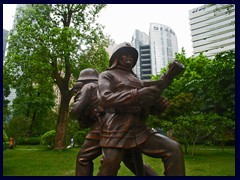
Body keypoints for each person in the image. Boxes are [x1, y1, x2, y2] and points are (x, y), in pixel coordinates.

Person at [97, 42, 186, 176]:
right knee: (110, 166)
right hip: (116, 128)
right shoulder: (107, 75)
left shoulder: (137, 79)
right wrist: (137, 94)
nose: (130, 57)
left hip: (139, 129)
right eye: (125, 54)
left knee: (173, 149)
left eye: (132, 55)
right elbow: (105, 98)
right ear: (116, 57)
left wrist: (158, 106)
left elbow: (146, 104)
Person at [70, 68, 158, 176]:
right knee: (132, 161)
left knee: (83, 158)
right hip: (122, 128)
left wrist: (75, 106)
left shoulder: (89, 87)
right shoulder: (108, 87)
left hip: (101, 129)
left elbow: (75, 111)